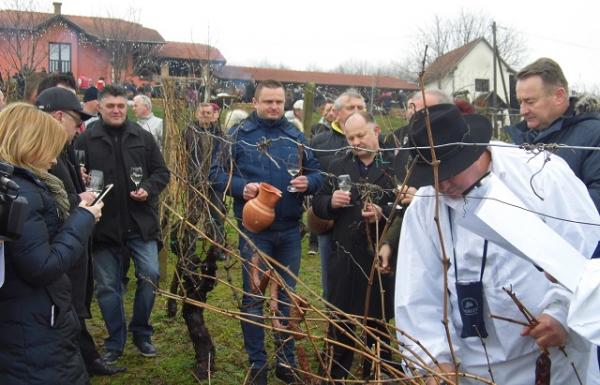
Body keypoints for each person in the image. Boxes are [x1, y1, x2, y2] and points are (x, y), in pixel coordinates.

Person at [395, 103, 598, 384]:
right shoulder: (425, 207)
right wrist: (433, 360)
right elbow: (417, 290)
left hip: (552, 360)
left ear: (475, 151)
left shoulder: (540, 175)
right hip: (473, 367)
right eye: (432, 177)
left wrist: (562, 312)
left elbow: (585, 251)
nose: (442, 185)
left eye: (450, 172)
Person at [210, 80, 322, 385]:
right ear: (255, 103)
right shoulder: (239, 136)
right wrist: (239, 188)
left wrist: (308, 184)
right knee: (254, 298)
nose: (274, 107)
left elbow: (317, 173)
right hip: (254, 232)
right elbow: (215, 174)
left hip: (288, 232)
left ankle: (285, 363)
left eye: (279, 102)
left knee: (287, 296)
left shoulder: (296, 136)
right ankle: (258, 363)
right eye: (268, 101)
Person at [0, 103, 103, 385]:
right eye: (50, 148)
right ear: (30, 145)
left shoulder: (14, 185)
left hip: (27, 320)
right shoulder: (21, 193)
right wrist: (83, 219)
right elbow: (42, 266)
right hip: (35, 326)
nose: (55, 160)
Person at [74, 85, 169, 364]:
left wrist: (149, 189)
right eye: (110, 106)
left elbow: (162, 171)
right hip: (103, 225)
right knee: (107, 287)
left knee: (150, 275)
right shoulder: (85, 140)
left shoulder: (143, 137)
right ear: (99, 108)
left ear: (126, 107)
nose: (116, 110)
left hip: (140, 223)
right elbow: (77, 177)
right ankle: (115, 341)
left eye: (121, 106)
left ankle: (141, 331)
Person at [36, 87, 126, 377]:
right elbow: (47, 202)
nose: (79, 128)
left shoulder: (63, 147)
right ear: (59, 116)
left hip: (71, 247)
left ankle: (85, 360)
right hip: (58, 250)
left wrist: (79, 186)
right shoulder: (39, 151)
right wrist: (80, 204)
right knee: (67, 310)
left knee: (74, 306)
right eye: (76, 121)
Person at [312, 111, 397, 382]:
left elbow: (407, 205)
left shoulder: (394, 165)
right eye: (351, 137)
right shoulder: (338, 164)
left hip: (378, 255)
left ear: (376, 131)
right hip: (345, 253)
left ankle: (376, 372)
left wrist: (383, 211)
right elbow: (318, 202)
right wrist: (330, 203)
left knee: (376, 319)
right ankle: (335, 372)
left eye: (361, 135)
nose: (356, 142)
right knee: (341, 319)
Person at [506, 57, 600, 211]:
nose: (523, 111)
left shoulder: (594, 135)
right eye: (520, 102)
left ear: (559, 96)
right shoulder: (522, 138)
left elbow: (595, 203)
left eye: (530, 101)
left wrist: (538, 217)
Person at [310, 89, 365, 298]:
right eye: (351, 107)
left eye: (361, 107)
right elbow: (313, 177)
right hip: (330, 223)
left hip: (363, 224)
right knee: (331, 280)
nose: (356, 111)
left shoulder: (378, 143)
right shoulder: (320, 142)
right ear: (337, 111)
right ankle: (333, 322)